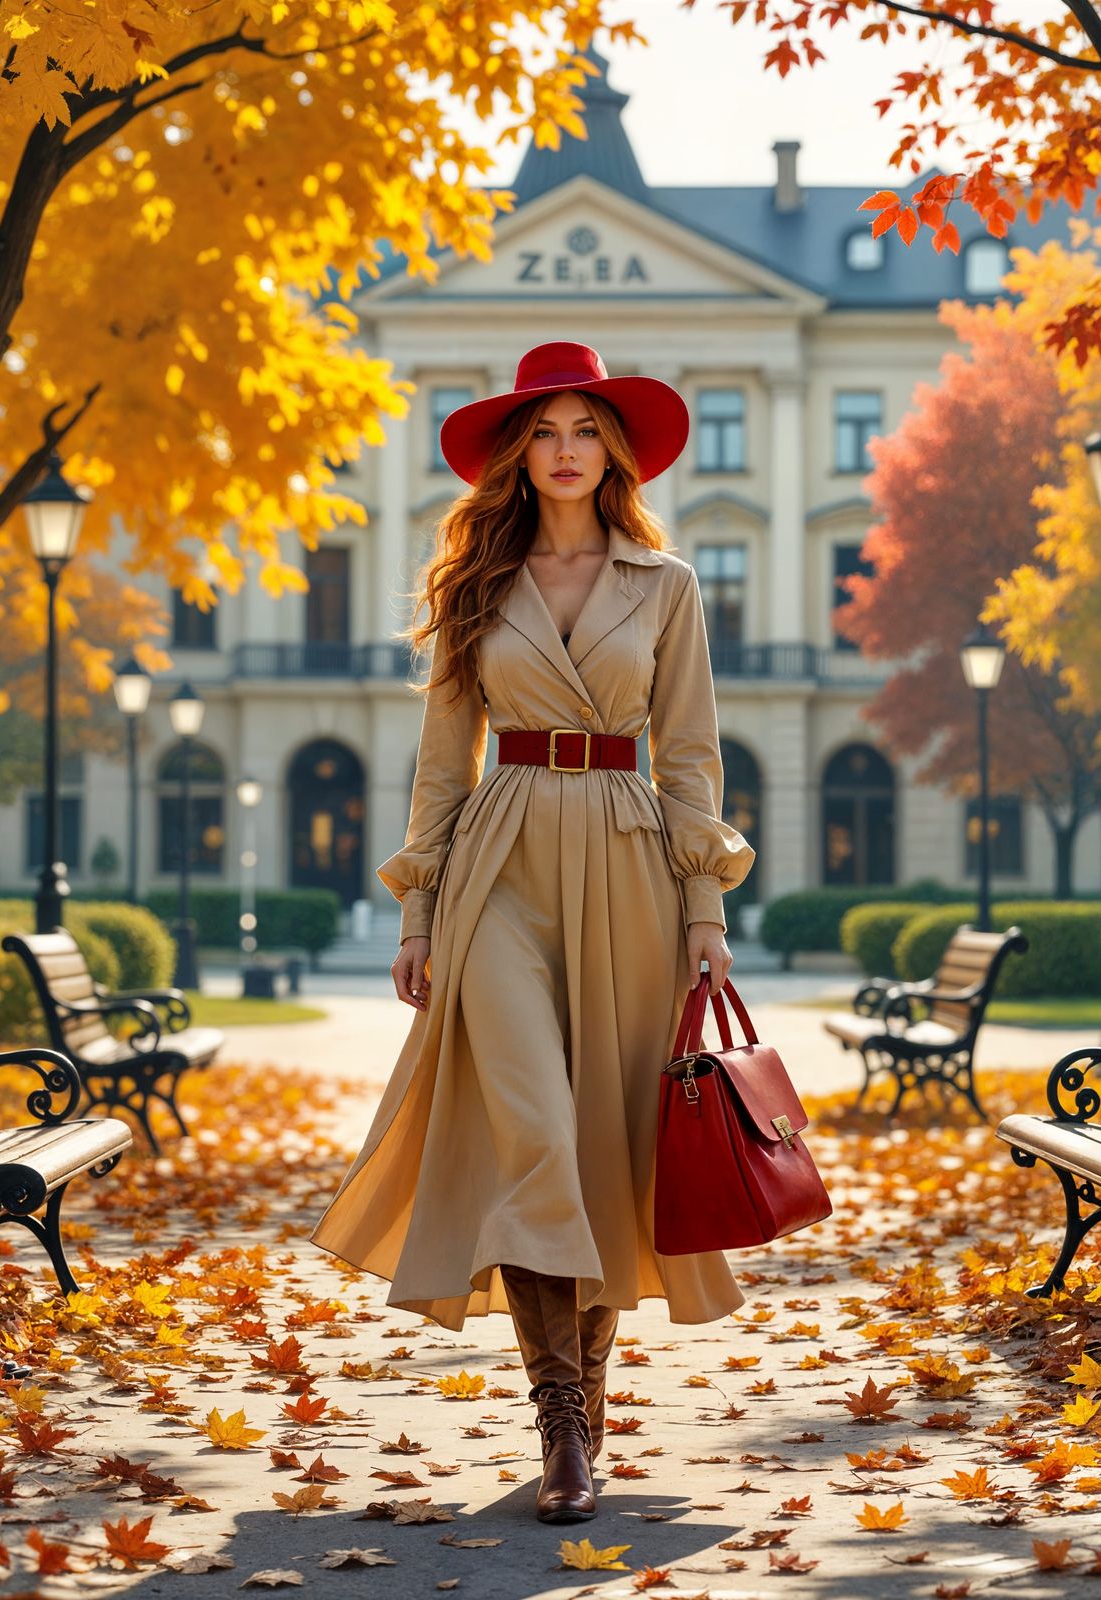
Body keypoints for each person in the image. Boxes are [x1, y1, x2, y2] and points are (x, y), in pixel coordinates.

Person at [310, 341, 755, 1523]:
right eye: (545, 430)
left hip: (626, 856)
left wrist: (705, 906)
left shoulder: (665, 586)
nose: (565, 450)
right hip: (498, 860)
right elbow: (440, 757)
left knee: (605, 1145)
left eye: (584, 430)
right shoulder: (473, 585)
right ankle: (561, 1420)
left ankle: (581, 1418)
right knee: (536, 1134)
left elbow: (693, 753)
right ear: (518, 452)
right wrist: (417, 908)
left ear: (611, 450)